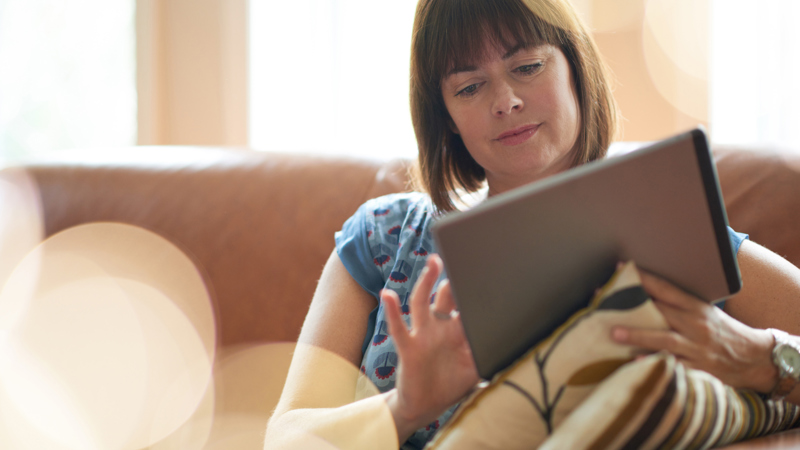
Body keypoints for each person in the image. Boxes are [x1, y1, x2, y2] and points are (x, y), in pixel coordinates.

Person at [266, 0, 800, 448]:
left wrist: (758, 356)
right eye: (470, 87)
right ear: (446, 119)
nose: (507, 101)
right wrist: (404, 407)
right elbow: (287, 437)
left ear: (575, 68)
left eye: (527, 67)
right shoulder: (385, 237)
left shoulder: (668, 225)